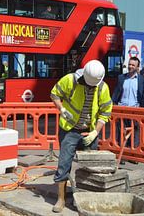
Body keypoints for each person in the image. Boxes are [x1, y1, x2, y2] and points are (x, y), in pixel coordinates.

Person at [50, 60, 112, 213]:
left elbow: (105, 112)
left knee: (91, 166)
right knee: (64, 164)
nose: (91, 86)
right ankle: (61, 198)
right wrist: (62, 108)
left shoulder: (102, 87)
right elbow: (54, 93)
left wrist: (95, 132)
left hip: (89, 131)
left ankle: (88, 197)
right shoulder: (70, 80)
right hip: (69, 130)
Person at [112, 57, 144, 160]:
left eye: (133, 65)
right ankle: (121, 156)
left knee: (134, 133)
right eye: (130, 64)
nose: (130, 66)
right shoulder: (121, 78)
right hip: (122, 110)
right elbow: (116, 93)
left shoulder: (142, 80)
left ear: (137, 67)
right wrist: (114, 105)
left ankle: (132, 156)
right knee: (121, 133)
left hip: (135, 111)